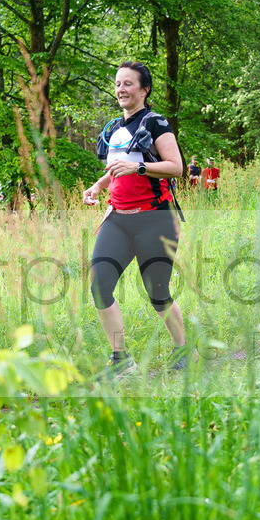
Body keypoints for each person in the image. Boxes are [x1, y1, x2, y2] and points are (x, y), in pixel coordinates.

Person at [82, 61, 188, 380]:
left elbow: (176, 167)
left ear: (144, 90)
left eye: (128, 84)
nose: (121, 89)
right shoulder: (114, 128)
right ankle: (121, 360)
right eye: (117, 84)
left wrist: (140, 169)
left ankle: (183, 350)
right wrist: (98, 186)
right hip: (118, 218)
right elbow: (118, 166)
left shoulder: (156, 123)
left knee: (157, 292)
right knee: (100, 286)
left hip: (155, 219)